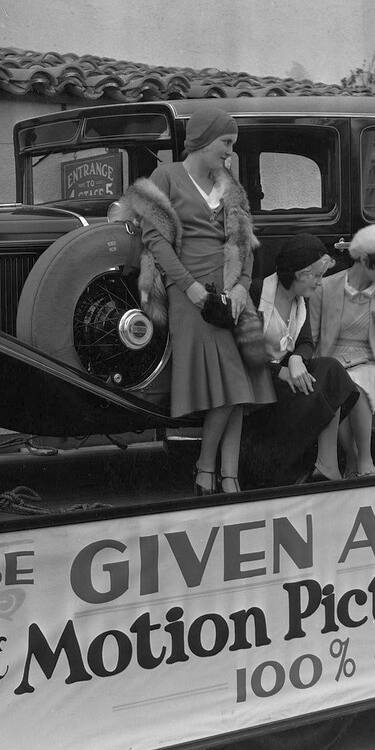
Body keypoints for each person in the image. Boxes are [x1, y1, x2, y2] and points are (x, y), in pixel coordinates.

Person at [124, 106, 275, 495]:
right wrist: (190, 288)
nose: (229, 151)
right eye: (226, 142)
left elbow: (243, 240)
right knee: (234, 383)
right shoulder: (167, 176)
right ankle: (207, 468)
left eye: (232, 144)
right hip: (191, 294)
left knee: (239, 390)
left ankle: (229, 477)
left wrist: (242, 287)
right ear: (204, 139)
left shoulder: (229, 184)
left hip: (230, 294)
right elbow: (155, 240)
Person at [239, 233, 359, 486]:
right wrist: (278, 372)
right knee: (318, 387)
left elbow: (305, 342)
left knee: (331, 369)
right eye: (316, 276)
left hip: (285, 373)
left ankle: (326, 464)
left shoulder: (300, 300)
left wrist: (296, 360)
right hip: (258, 380)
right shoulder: (258, 292)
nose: (320, 282)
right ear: (299, 273)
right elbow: (244, 350)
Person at [311, 225, 375, 478]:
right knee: (338, 382)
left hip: (367, 362)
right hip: (330, 360)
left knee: (357, 383)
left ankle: (363, 457)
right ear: (364, 259)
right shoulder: (325, 288)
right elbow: (313, 339)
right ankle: (351, 457)